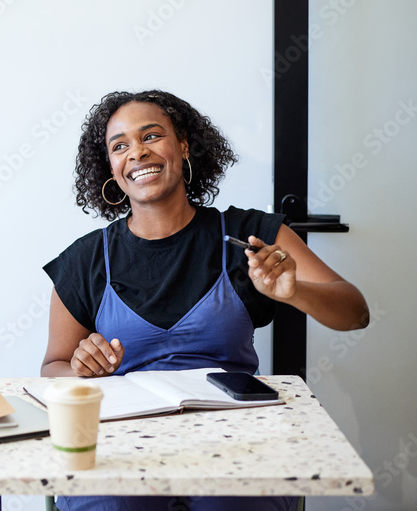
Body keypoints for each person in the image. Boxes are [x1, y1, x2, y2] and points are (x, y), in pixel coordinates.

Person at [41, 90, 369, 511]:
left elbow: (355, 312)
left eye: (152, 136)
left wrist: (296, 291)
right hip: (123, 444)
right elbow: (52, 369)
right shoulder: (86, 259)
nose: (137, 153)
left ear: (183, 146)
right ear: (111, 167)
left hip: (238, 440)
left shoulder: (251, 235)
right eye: (120, 145)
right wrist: (81, 371)